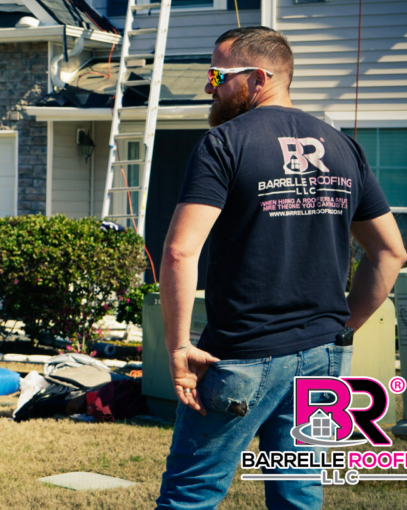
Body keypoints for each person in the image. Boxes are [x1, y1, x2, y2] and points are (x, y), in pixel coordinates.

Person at [156, 26, 407, 509]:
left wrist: (179, 346)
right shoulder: (343, 146)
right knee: (299, 495)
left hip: (243, 353)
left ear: (257, 77)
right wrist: (339, 326)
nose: (210, 87)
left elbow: (179, 252)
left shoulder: (224, 144)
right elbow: (391, 252)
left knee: (191, 493)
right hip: (326, 360)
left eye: (216, 75)